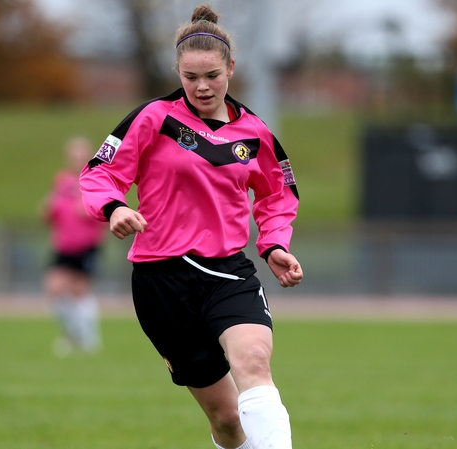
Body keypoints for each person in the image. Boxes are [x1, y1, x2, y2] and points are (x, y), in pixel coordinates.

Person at [79, 4, 303, 448]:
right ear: (177, 72)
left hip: (227, 273)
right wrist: (114, 208)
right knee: (225, 418)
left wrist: (275, 245)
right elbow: (99, 173)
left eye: (212, 76)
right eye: (190, 77)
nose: (202, 87)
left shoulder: (255, 133)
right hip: (161, 281)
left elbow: (279, 194)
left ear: (231, 69)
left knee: (254, 361)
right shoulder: (152, 118)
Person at [43, 136, 107, 355]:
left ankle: (89, 338)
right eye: (74, 154)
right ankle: (73, 334)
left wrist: (88, 209)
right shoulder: (62, 180)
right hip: (64, 243)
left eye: (81, 154)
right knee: (54, 288)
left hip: (86, 244)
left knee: (80, 291)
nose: (77, 158)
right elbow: (53, 209)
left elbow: (104, 209)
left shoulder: (95, 177)